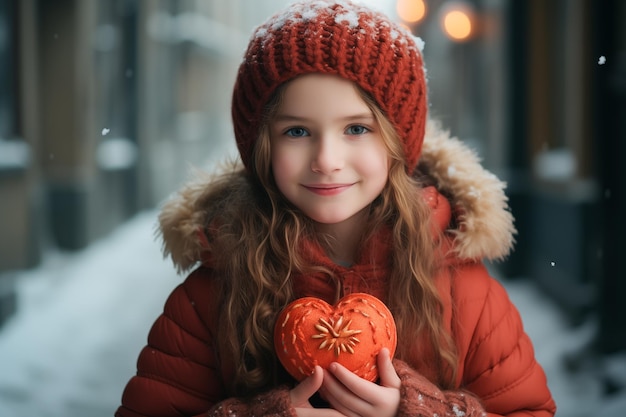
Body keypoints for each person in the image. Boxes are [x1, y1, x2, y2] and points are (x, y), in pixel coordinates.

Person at [116, 1, 556, 416]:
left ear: (397, 144)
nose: (327, 159)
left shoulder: (461, 288)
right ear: (261, 145)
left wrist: (421, 409)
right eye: (297, 132)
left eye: (357, 128)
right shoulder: (214, 291)